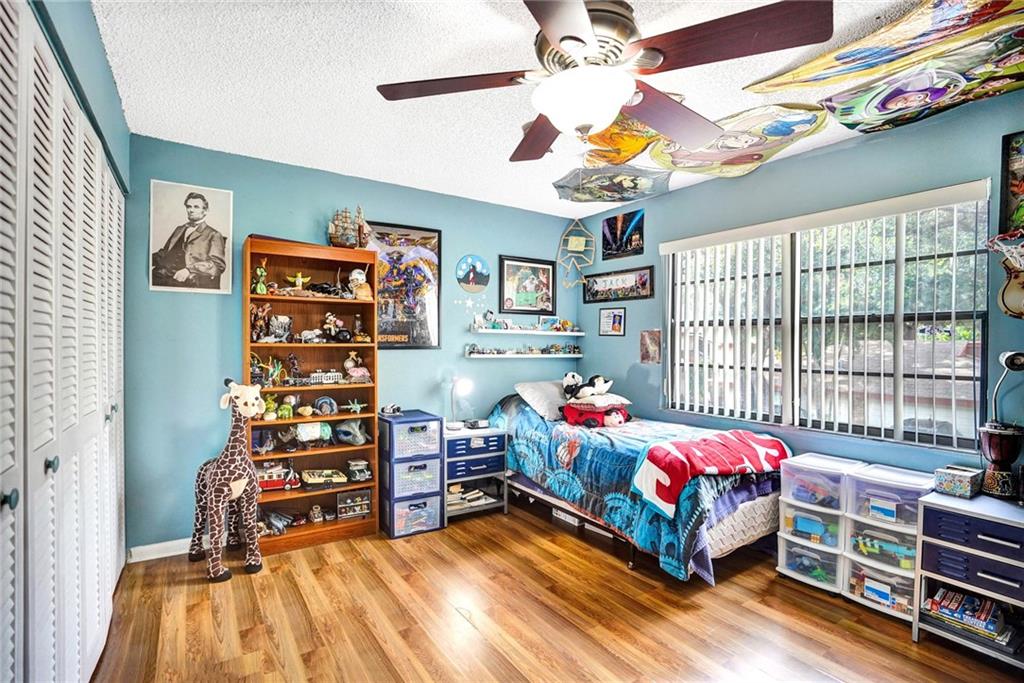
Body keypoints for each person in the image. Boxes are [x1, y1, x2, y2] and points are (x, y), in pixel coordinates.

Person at [152, 191, 227, 289]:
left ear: (205, 210)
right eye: (189, 206)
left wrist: (189, 270)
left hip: (189, 281)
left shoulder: (214, 234)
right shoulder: (179, 229)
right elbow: (165, 252)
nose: (191, 210)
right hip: (163, 275)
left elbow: (218, 265)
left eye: (196, 207)